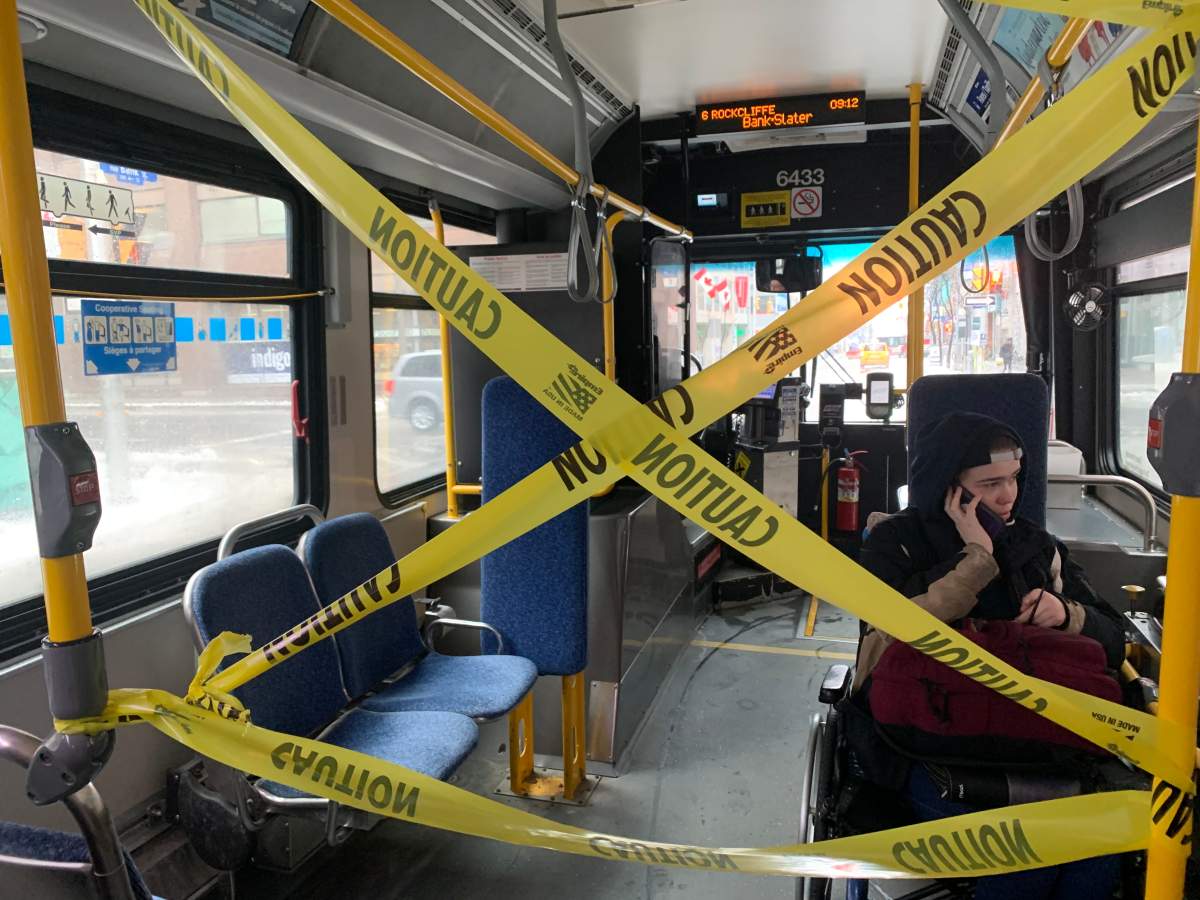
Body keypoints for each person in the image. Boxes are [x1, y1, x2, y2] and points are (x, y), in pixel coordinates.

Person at [854, 411, 1125, 900]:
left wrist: (1067, 614)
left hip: (1034, 738)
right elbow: (892, 634)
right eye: (990, 483)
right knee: (1022, 857)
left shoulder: (1036, 548)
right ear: (950, 489)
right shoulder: (895, 543)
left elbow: (1113, 638)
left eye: (1014, 479)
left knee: (1099, 850)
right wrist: (977, 561)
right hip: (932, 743)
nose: (1008, 496)